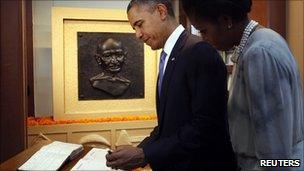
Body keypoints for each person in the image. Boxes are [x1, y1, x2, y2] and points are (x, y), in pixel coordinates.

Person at [106, 0, 237, 170]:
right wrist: (140, 149)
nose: (137, 34)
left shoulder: (199, 52)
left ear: (161, 11)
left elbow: (206, 126)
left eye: (140, 24)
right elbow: (170, 125)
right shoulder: (170, 55)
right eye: (134, 29)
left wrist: (146, 155)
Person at [181, 0, 304, 170]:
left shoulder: (259, 53)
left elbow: (275, 155)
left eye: (204, 30)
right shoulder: (260, 41)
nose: (204, 38)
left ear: (226, 21)